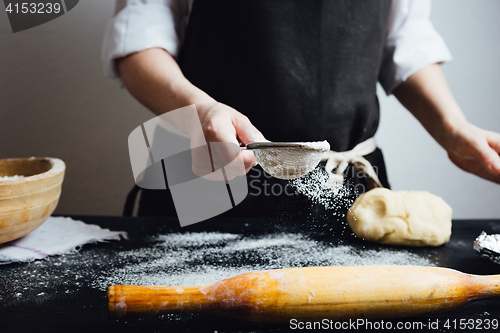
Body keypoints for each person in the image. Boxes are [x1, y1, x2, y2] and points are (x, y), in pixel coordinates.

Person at [102, 0, 500, 220]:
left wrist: (453, 127)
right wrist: (201, 108)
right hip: (208, 176)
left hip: (346, 185)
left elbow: (405, 40)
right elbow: (140, 38)